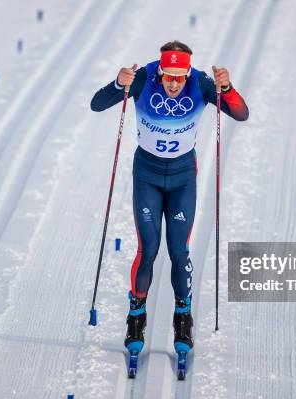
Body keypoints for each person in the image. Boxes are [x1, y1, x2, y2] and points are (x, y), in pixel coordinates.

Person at [90, 40, 249, 357]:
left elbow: (241, 114)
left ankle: (183, 317)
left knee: (179, 250)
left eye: (180, 77)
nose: (174, 83)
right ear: (159, 72)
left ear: (187, 72)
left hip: (181, 179)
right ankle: (136, 317)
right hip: (147, 175)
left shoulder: (201, 83)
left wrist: (227, 87)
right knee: (148, 249)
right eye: (168, 77)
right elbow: (97, 104)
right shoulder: (142, 79)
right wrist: (118, 83)